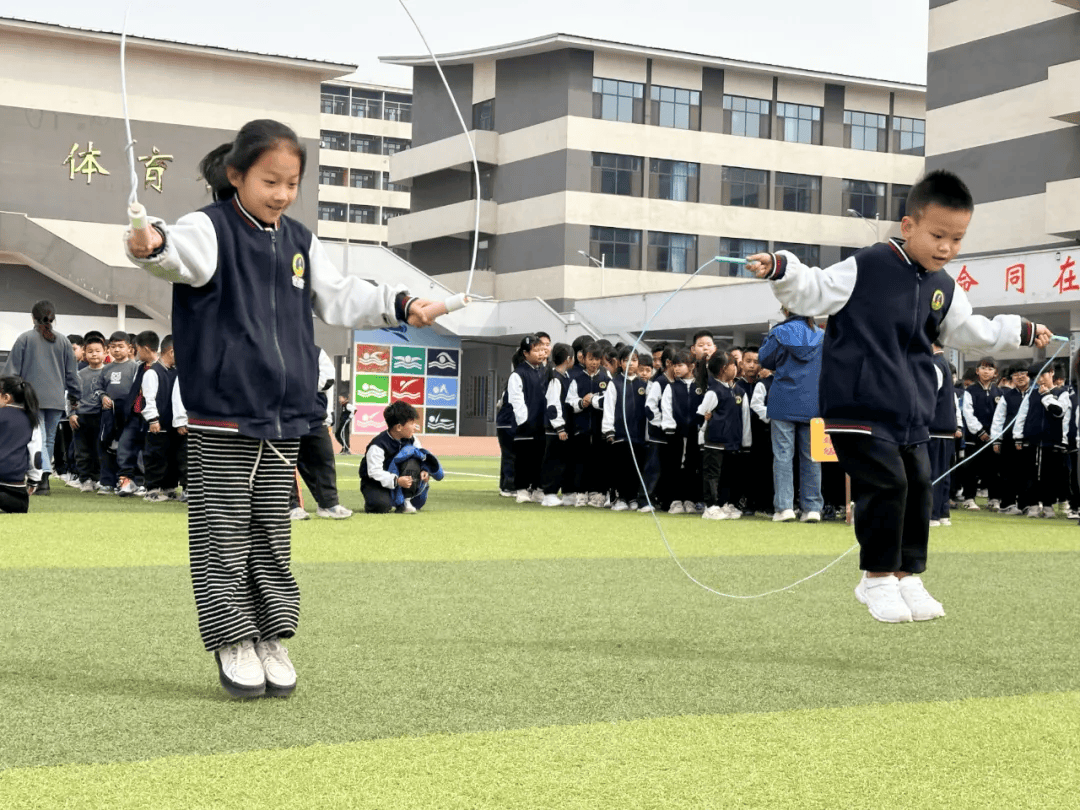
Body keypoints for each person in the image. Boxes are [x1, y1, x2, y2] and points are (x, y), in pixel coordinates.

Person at [125, 119, 439, 699]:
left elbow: (342, 293)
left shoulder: (299, 240)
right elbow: (173, 256)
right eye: (271, 181)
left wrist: (403, 303)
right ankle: (232, 638)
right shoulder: (207, 227)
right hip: (223, 412)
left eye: (292, 183)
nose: (282, 194)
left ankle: (271, 634)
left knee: (271, 530)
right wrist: (149, 243)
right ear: (235, 174)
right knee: (220, 532)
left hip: (286, 414)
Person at [747, 169, 1051, 623]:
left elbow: (973, 333)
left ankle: (908, 576)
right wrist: (782, 267)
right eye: (937, 235)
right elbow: (813, 291)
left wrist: (1021, 330)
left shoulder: (945, 287)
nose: (946, 248)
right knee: (887, 484)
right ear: (908, 227)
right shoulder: (867, 265)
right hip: (856, 407)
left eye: (957, 239)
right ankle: (875, 579)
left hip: (908, 412)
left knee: (917, 489)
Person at [0, 300, 81, 495]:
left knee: (38, 437)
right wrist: (75, 397)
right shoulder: (63, 342)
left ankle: (42, 479)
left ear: (33, 318)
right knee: (48, 439)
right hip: (55, 398)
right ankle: (45, 478)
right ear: (53, 317)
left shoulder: (24, 339)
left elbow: (11, 372)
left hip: (30, 398)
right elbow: (72, 374)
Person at [759, 309, 825, 523]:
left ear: (787, 309)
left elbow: (765, 360)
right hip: (813, 401)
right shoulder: (822, 335)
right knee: (812, 457)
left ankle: (785, 507)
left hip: (783, 400)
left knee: (783, 456)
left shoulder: (779, 331)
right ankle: (812, 508)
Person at [289, 347, 352, 520]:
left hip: (315, 417)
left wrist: (292, 383)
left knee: (324, 460)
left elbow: (327, 380)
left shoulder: (316, 351)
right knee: (284, 463)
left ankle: (328, 504)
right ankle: (291, 506)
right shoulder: (271, 346)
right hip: (282, 417)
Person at [359, 401, 442, 513]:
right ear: (399, 427)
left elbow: (420, 458)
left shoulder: (412, 440)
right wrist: (397, 481)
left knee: (413, 460)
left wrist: (424, 470)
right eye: (412, 423)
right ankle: (376, 498)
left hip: (402, 479)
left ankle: (406, 500)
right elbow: (374, 472)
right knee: (380, 506)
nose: (415, 427)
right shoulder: (378, 445)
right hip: (375, 482)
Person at [696, 350, 750, 520]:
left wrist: (745, 442)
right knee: (712, 474)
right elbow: (700, 414)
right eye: (733, 365)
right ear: (723, 368)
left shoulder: (736, 391)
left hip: (731, 442)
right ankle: (710, 506)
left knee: (728, 474)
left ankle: (724, 503)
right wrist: (703, 434)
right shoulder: (714, 391)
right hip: (714, 442)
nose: (736, 368)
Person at [1013, 364, 1070, 518]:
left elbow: (1059, 413)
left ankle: (1048, 505)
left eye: (1042, 375)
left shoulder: (1062, 393)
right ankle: (1032, 505)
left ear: (1051, 373)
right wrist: (1018, 436)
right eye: (1036, 377)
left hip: (1053, 441)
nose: (1039, 380)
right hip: (1032, 440)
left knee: (1050, 474)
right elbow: (1021, 416)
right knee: (1030, 474)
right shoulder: (1031, 393)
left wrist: (1046, 396)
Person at [498, 335, 547, 503]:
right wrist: (524, 421)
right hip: (526, 425)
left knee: (540, 458)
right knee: (524, 459)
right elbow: (516, 401)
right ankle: (522, 490)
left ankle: (538, 489)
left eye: (542, 350)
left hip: (542, 424)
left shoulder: (545, 372)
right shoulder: (518, 374)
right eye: (536, 350)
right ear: (526, 354)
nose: (541, 353)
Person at [602, 346, 649, 512]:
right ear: (620, 363)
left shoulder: (643, 384)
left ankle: (632, 497)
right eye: (626, 360)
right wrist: (609, 430)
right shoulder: (615, 384)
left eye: (634, 360)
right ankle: (619, 498)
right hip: (620, 434)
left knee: (635, 468)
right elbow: (608, 407)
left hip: (638, 435)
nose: (630, 363)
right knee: (621, 467)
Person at [565, 341, 610, 508]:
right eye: (591, 359)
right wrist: (581, 403)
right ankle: (581, 493)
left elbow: (610, 402)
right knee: (580, 462)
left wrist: (594, 401)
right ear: (583, 359)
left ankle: (598, 493)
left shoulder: (606, 379)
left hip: (600, 430)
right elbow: (569, 402)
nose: (594, 363)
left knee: (599, 462)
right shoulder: (577, 379)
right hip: (581, 429)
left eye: (597, 359)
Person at [660, 348, 705, 514]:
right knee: (674, 466)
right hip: (676, 433)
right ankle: (675, 500)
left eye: (680, 365)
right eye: (674, 366)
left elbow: (706, 408)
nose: (676, 369)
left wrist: (701, 427)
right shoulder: (671, 388)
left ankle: (690, 500)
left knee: (692, 466)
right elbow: (666, 408)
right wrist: (670, 427)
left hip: (695, 432)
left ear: (692, 366)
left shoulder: (701, 387)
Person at [97, 331, 138, 495]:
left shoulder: (136, 367)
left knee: (126, 446)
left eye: (121, 346)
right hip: (109, 414)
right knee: (107, 446)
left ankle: (131, 481)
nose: (117, 350)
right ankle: (107, 482)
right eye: (113, 347)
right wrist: (103, 397)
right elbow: (98, 389)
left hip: (129, 415)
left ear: (129, 348)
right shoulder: (105, 369)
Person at [959, 357, 1002, 510]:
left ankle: (994, 498)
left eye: (990, 369)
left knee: (993, 468)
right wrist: (980, 431)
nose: (986, 371)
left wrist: (995, 434)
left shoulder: (999, 392)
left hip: (994, 437)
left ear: (995, 373)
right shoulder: (970, 391)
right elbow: (968, 413)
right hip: (974, 436)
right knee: (971, 467)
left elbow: (1001, 415)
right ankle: (969, 498)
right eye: (983, 368)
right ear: (977, 371)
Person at [928, 341, 962, 527]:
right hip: (946, 429)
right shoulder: (944, 365)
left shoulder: (933, 364)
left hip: (934, 429)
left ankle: (932, 514)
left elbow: (928, 396)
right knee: (943, 474)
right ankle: (942, 513)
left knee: (932, 474)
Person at [69, 334, 107, 492]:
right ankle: (85, 479)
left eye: (98, 351)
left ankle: (98, 478)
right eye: (90, 351)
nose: (94, 354)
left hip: (102, 416)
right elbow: (73, 396)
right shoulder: (80, 374)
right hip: (82, 416)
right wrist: (72, 413)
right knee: (82, 450)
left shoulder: (109, 372)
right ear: (84, 353)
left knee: (100, 449)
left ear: (105, 352)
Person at [539, 343, 575, 507]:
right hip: (555, 430)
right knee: (553, 461)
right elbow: (553, 406)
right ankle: (549, 493)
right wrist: (559, 427)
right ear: (568, 359)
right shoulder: (555, 379)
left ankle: (563, 493)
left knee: (563, 462)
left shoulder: (565, 377)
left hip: (563, 428)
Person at [0, 376, 43, 513]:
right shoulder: (31, 420)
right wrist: (34, 481)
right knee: (20, 505)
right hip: (14, 487)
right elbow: (36, 455)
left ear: (6, 397)